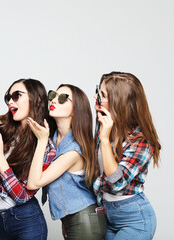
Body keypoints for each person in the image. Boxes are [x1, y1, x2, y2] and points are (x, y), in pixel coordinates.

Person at [26, 84, 107, 239]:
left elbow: (34, 182)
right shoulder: (54, 140)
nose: (54, 100)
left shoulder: (74, 151)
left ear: (75, 110)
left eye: (63, 98)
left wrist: (41, 141)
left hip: (85, 219)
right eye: (53, 95)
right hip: (74, 218)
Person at [0, 79, 55, 240]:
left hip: (25, 220)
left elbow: (21, 196)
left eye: (16, 96)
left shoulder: (46, 147)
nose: (10, 102)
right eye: (8, 98)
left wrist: (0, 157)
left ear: (37, 99)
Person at [93, 72, 161, 240]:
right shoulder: (105, 126)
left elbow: (115, 182)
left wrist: (103, 138)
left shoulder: (142, 140)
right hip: (108, 214)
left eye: (102, 95)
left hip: (135, 218)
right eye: (97, 91)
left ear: (119, 102)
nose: (96, 97)